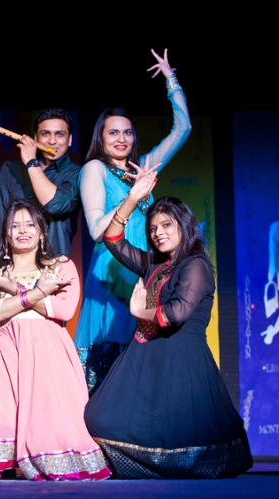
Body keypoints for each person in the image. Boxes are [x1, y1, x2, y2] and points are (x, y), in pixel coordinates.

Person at [84, 167, 253, 478]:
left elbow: (175, 313)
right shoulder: (153, 263)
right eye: (152, 228)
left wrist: (139, 311)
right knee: (98, 417)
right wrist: (133, 198)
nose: (157, 232)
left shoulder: (196, 265)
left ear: (183, 226)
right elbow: (112, 237)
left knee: (180, 435)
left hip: (181, 358)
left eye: (166, 225)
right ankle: (148, 471)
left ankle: (170, 480)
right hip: (145, 356)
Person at [0, 199, 110, 481]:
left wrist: (14, 290)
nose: (22, 231)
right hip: (5, 352)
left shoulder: (60, 265)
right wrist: (37, 293)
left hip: (48, 351)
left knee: (50, 423)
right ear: (5, 234)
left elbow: (64, 310)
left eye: (30, 225)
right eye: (15, 226)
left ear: (42, 232)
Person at [74, 49, 192, 393]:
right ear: (101, 137)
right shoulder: (93, 169)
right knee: (110, 373)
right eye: (113, 133)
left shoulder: (142, 167)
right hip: (112, 272)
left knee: (145, 372)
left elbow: (183, 128)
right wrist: (133, 197)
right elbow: (97, 230)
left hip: (145, 270)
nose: (121, 139)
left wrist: (171, 79)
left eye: (127, 132)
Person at [0, 108, 81, 257]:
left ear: (70, 139)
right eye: (45, 133)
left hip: (53, 270)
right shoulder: (10, 169)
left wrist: (31, 162)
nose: (52, 141)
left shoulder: (76, 174)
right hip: (8, 267)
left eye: (59, 134)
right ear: (36, 138)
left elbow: (55, 205)